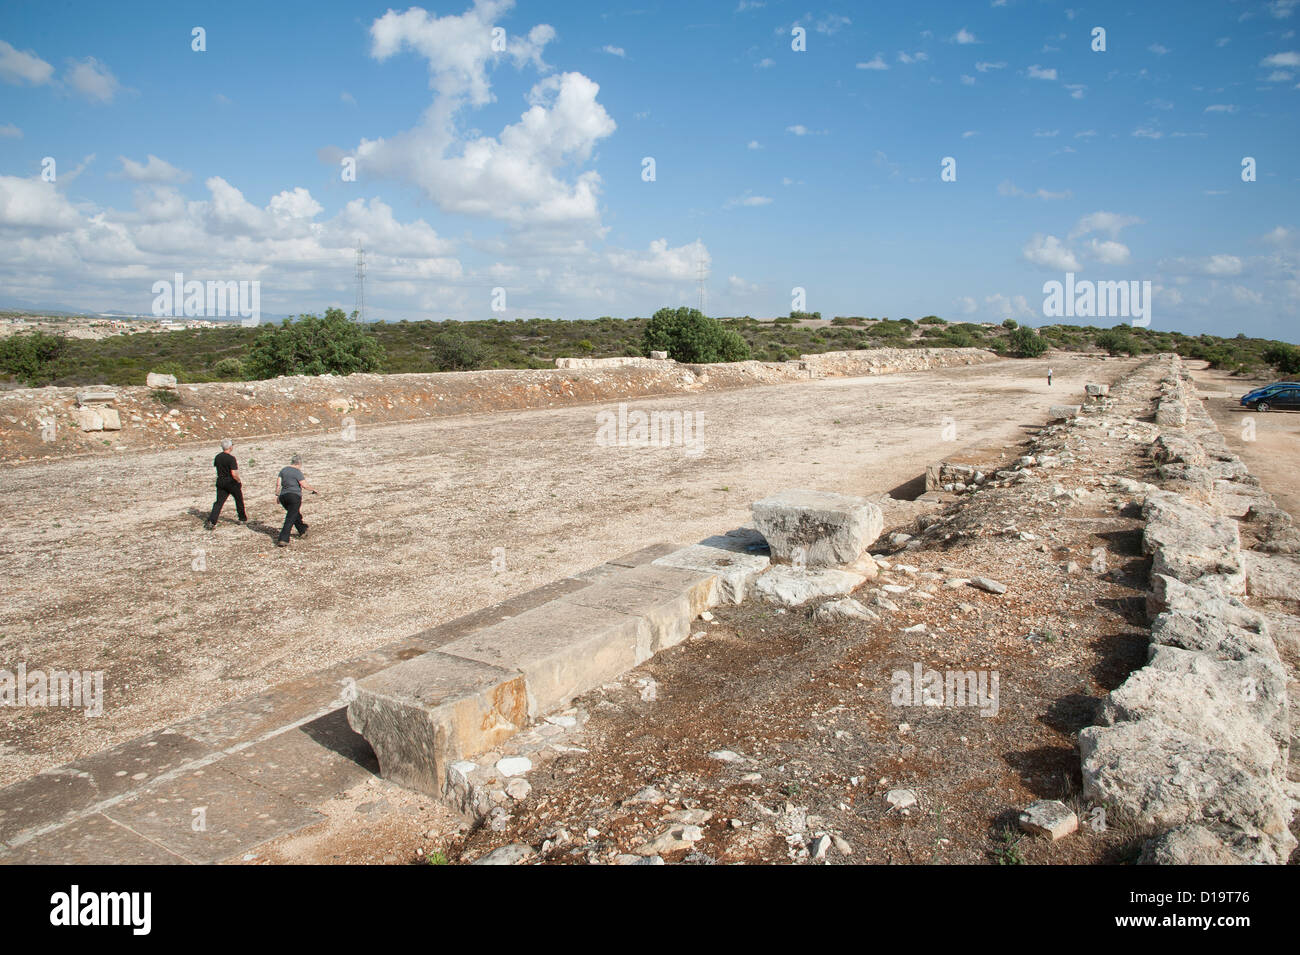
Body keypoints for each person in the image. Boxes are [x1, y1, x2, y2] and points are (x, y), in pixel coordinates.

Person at [274, 453, 318, 548]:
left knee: (294, 514)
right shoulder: (297, 471)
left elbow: (278, 484)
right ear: (299, 463)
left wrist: (277, 495)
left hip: (283, 497)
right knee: (290, 517)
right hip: (294, 496)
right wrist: (313, 489)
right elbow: (304, 484)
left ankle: (302, 530)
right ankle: (283, 539)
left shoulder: (283, 470)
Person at [205, 438, 246, 529]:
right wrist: (239, 481)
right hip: (231, 482)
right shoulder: (231, 458)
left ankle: (212, 521)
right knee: (239, 500)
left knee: (219, 503)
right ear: (230, 447)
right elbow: (234, 473)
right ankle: (242, 518)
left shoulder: (218, 457)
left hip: (220, 481)